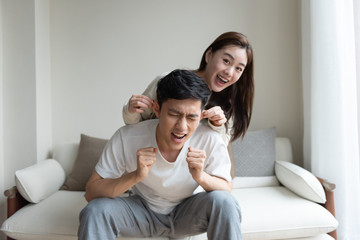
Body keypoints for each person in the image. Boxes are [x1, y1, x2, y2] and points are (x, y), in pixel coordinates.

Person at [78, 69, 242, 240]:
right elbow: (91, 192)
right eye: (174, 114)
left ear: (201, 115)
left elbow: (226, 189)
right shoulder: (128, 136)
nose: (182, 127)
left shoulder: (210, 139)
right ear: (156, 109)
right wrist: (136, 176)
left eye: (192, 117)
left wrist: (200, 176)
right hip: (141, 212)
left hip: (187, 214)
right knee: (95, 210)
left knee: (226, 203)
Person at [123, 31, 254, 145]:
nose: (229, 72)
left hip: (192, 169)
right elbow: (135, 126)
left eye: (238, 68)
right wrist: (131, 110)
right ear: (209, 55)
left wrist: (217, 126)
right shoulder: (168, 82)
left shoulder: (227, 106)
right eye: (226, 61)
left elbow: (219, 152)